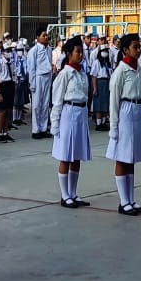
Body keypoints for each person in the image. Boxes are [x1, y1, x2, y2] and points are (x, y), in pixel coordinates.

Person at [107, 33, 141, 215]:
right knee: (122, 156)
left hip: (138, 111)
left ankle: (131, 199)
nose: (138, 50)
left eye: (139, 47)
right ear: (125, 50)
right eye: (135, 47)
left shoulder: (140, 70)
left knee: (132, 157)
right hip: (125, 111)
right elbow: (114, 101)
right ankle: (123, 201)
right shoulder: (120, 71)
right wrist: (114, 126)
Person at [50, 37, 92, 207]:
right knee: (66, 155)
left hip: (80, 113)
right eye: (77, 52)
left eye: (81, 51)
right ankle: (65, 194)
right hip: (68, 113)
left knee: (77, 156)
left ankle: (73, 193)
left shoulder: (82, 73)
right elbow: (57, 100)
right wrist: (55, 123)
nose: (80, 54)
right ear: (68, 54)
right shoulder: (65, 74)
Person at [26, 29, 53, 139]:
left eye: (46, 35)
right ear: (38, 37)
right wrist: (32, 83)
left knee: (45, 104)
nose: (46, 37)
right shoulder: (34, 50)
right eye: (43, 35)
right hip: (38, 77)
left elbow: (50, 64)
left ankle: (43, 128)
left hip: (47, 76)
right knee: (37, 105)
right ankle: (36, 129)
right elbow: (31, 68)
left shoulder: (49, 49)